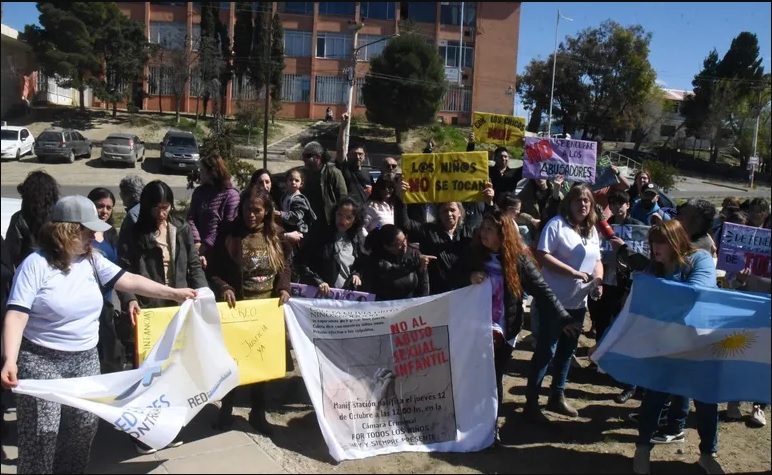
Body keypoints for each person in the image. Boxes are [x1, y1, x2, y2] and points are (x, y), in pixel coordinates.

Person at [1, 195, 196, 474]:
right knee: (42, 434)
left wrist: (174, 293)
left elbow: (128, 279)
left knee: (82, 429)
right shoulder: (35, 265)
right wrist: (10, 360)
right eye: (88, 230)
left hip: (85, 360)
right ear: (66, 231)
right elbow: (17, 314)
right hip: (41, 361)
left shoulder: (92, 260)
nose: (95, 235)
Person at [466, 209, 574, 442]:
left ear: (502, 234)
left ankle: (490, 427)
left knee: (493, 376)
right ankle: (473, 422)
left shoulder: (519, 259)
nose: (482, 233)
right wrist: (470, 275)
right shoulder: (474, 254)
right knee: (476, 376)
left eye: (489, 229)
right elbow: (454, 275)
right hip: (475, 326)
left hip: (505, 329)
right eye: (482, 228)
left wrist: (562, 316)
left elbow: (542, 290)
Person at [632, 219, 723, 475]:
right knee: (655, 398)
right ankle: (642, 451)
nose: (654, 248)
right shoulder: (656, 269)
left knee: (706, 402)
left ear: (675, 241)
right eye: (651, 243)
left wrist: (655, 291)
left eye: (660, 242)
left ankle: (707, 454)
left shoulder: (700, 259)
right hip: (668, 344)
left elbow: (697, 292)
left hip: (701, 342)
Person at [207, 187, 291, 435]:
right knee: (233, 362)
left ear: (266, 212)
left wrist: (284, 288)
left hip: (266, 312)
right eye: (247, 210)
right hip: (238, 312)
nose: (251, 215)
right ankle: (227, 408)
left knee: (260, 364)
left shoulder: (277, 236)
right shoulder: (230, 236)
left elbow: (285, 267)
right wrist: (225, 287)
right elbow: (213, 270)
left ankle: (258, 412)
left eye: (257, 210)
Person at [526, 184, 603, 420]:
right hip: (554, 302)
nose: (583, 204)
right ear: (569, 202)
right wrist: (573, 272)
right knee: (545, 351)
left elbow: (597, 258)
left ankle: (556, 396)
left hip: (578, 304)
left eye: (587, 201)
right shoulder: (556, 225)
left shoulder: (591, 230)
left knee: (567, 352)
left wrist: (598, 280)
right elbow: (542, 255)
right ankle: (532, 402)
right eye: (578, 200)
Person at [295, 197, 367, 295]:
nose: (343, 220)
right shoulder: (320, 236)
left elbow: (359, 265)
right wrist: (318, 282)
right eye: (340, 215)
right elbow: (300, 263)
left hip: (344, 298)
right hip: (319, 296)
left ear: (355, 220)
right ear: (334, 214)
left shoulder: (355, 239)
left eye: (348, 217)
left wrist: (356, 274)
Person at [86, 187, 124, 373]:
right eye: (100, 206)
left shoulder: (110, 233)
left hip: (106, 304)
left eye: (109, 208)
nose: (105, 211)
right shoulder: (83, 233)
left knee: (106, 352)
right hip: (86, 303)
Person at [187, 153, 240, 269]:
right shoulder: (199, 193)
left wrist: (206, 245)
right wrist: (197, 242)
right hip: (199, 250)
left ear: (211, 173)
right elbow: (191, 218)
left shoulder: (230, 195)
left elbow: (227, 225)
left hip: (220, 251)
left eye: (202, 171)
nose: (199, 174)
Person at [6, 170, 60, 267]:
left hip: (28, 271)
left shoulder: (19, 219)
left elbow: (11, 253)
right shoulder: (62, 217)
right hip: (58, 270)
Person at [117, 174, 146, 252]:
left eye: (122, 192)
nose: (120, 195)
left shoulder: (133, 214)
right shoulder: (147, 208)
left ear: (130, 195)